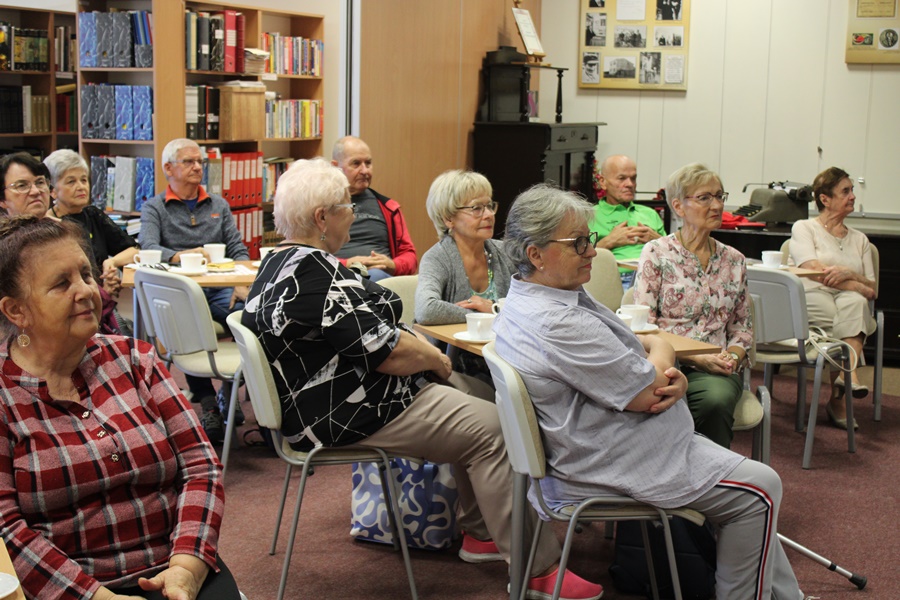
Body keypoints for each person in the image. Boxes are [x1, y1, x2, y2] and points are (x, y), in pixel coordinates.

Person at [241, 158, 602, 600]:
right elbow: (389, 353)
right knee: (496, 429)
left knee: (488, 408)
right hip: (353, 409)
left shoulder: (276, 265)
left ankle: (481, 533)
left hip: (325, 404)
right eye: (346, 207)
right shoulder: (319, 275)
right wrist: (434, 357)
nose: (353, 214)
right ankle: (538, 569)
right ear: (322, 218)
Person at [495, 184, 805, 600]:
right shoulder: (558, 322)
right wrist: (663, 348)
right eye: (581, 242)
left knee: (755, 491)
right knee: (761, 489)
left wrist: (654, 361)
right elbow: (650, 392)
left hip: (604, 444)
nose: (593, 250)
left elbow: (637, 360)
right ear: (535, 254)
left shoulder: (531, 296)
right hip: (609, 459)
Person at [0, 215, 238, 600]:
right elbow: (6, 526)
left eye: (85, 274)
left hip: (176, 566)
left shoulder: (135, 358)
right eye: (62, 284)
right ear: (16, 311)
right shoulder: (4, 395)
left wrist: (186, 566)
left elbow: (200, 465)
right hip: (72, 587)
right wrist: (95, 597)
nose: (84, 290)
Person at [140, 138, 250, 443]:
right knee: (186, 327)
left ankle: (231, 390)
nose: (197, 167)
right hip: (180, 291)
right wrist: (178, 257)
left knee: (247, 316)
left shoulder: (218, 205)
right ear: (168, 168)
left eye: (200, 161)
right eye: (189, 162)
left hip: (219, 286)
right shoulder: (154, 207)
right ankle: (207, 402)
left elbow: (238, 247)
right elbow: (147, 245)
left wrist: (241, 279)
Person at [634, 163, 751, 449]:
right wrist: (697, 358)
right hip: (667, 361)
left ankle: (711, 479)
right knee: (650, 403)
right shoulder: (657, 253)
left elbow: (742, 329)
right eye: (704, 197)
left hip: (717, 369)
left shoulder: (734, 260)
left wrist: (732, 359)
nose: (717, 205)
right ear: (679, 206)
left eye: (719, 196)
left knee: (714, 400)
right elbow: (644, 325)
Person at [790, 166, 877, 429]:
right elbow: (812, 271)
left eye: (852, 191)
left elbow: (872, 289)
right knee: (852, 314)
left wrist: (848, 274)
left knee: (857, 304)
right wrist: (855, 283)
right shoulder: (805, 228)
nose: (852, 196)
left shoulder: (860, 240)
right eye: (845, 191)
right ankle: (843, 392)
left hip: (848, 298)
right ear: (824, 199)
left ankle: (843, 384)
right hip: (813, 295)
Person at [415, 170, 516, 323]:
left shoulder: (505, 252)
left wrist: (493, 308)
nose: (489, 214)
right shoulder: (437, 258)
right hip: (451, 346)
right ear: (448, 218)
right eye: (476, 208)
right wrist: (487, 315)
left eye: (489, 205)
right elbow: (426, 310)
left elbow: (534, 301)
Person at [43, 149, 139, 300]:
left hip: (101, 300)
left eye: (83, 179)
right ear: (53, 191)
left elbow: (134, 250)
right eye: (71, 181)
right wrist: (103, 293)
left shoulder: (93, 215)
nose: (81, 186)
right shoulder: (48, 225)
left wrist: (112, 262)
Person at [330, 136, 417, 281]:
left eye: (368, 163)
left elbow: (410, 257)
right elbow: (306, 254)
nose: (364, 170)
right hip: (337, 278)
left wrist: (392, 265)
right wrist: (347, 264)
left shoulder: (389, 208)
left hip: (381, 278)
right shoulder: (321, 208)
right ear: (335, 166)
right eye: (356, 163)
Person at [588, 155, 666, 290]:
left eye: (633, 178)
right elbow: (577, 258)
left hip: (655, 279)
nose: (630, 184)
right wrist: (609, 242)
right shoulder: (588, 215)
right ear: (603, 182)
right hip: (614, 281)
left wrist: (657, 240)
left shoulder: (649, 214)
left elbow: (673, 254)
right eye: (622, 178)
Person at [1, 151, 51, 218]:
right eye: (22, 185)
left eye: (40, 182)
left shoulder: (66, 227)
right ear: (2, 201)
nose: (35, 191)